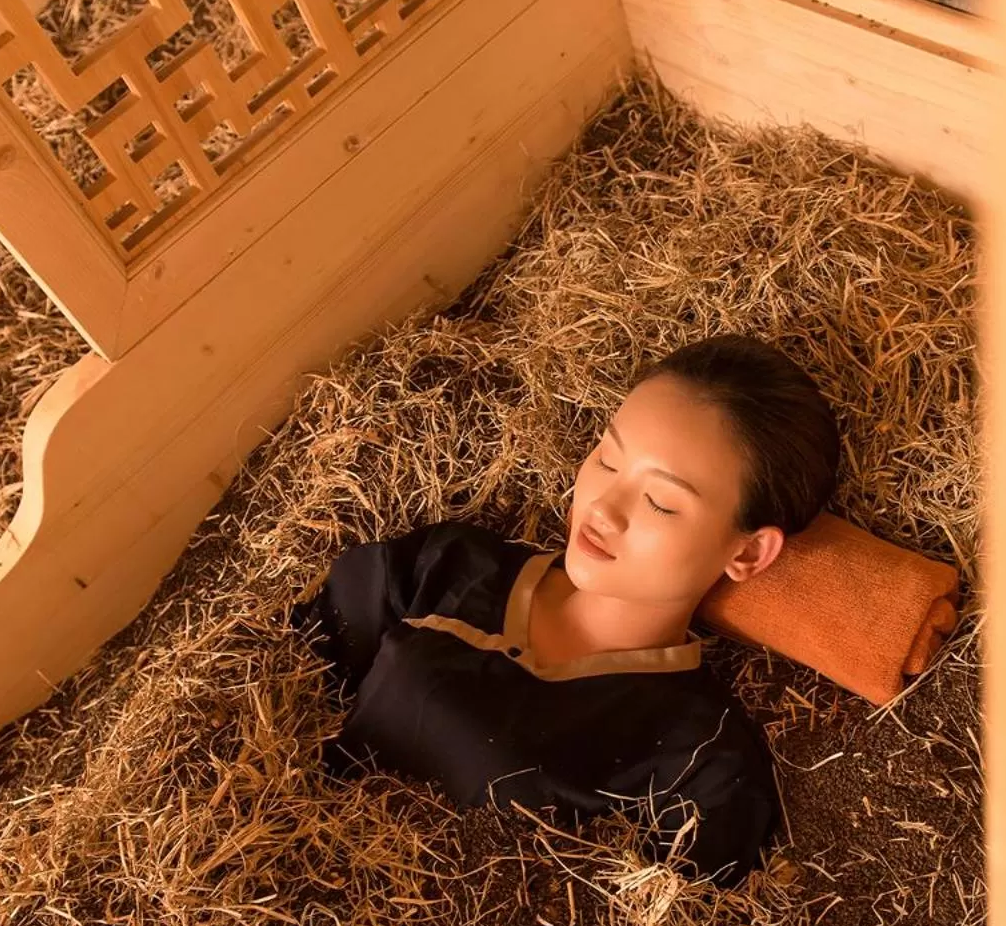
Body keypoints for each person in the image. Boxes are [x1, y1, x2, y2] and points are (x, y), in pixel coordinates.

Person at [290, 334, 841, 888]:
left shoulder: (700, 764)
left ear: (747, 552)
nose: (603, 506)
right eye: (606, 458)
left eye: (660, 502)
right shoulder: (442, 566)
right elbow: (286, 686)